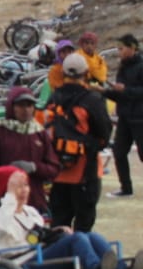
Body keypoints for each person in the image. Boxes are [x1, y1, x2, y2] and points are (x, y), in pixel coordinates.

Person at [0, 167, 139, 269]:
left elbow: (36, 237)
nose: (24, 191)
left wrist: (56, 232)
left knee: (91, 236)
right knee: (77, 239)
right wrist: (10, 197)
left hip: (43, 258)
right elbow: (5, 226)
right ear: (6, 191)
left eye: (26, 185)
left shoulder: (31, 212)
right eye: (17, 187)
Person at [47, 53, 113, 231]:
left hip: (58, 172)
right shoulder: (92, 99)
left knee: (59, 224)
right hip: (86, 171)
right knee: (84, 225)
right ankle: (81, 257)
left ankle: (61, 257)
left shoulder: (53, 99)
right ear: (85, 72)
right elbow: (104, 135)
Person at [0, 86, 61, 212]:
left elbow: (54, 168)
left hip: (34, 203)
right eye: (21, 105)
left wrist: (34, 167)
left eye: (29, 105)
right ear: (11, 107)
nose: (26, 110)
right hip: (4, 203)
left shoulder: (39, 133)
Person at [105, 34, 143, 197]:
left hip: (140, 117)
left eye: (121, 48)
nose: (119, 52)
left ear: (132, 48)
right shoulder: (123, 67)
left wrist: (124, 90)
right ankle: (126, 188)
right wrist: (106, 91)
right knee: (119, 152)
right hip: (125, 117)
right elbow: (121, 95)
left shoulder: (141, 66)